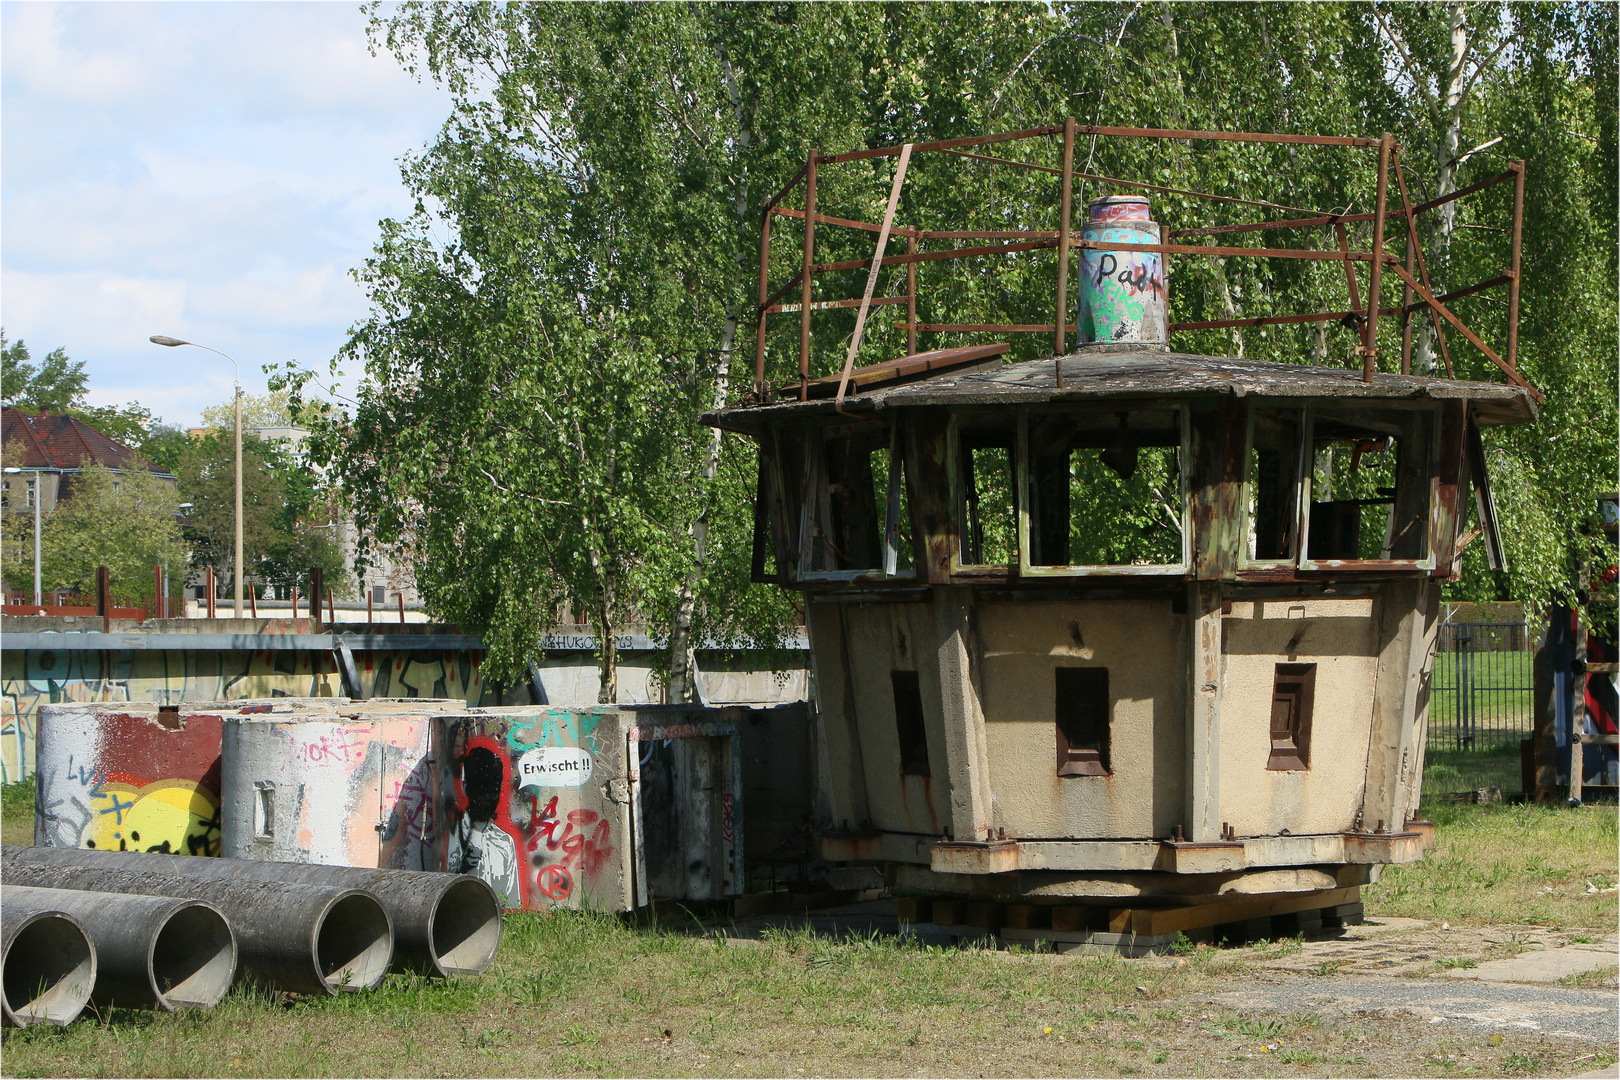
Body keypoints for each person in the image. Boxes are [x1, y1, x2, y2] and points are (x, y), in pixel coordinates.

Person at [446, 745, 522, 908]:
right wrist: (462, 868)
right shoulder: (454, 834)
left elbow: (514, 904)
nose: (488, 797)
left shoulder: (505, 842)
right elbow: (442, 895)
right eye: (481, 788)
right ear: (467, 788)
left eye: (493, 789)